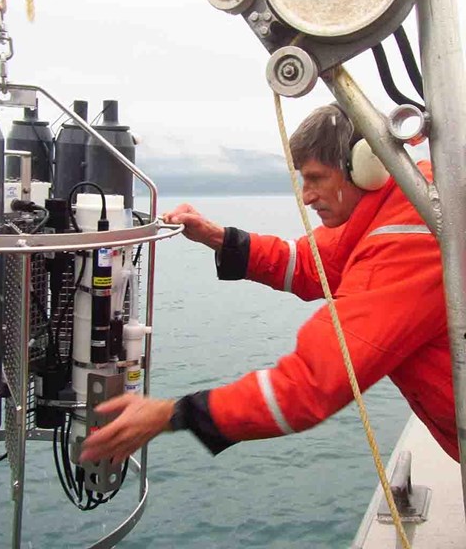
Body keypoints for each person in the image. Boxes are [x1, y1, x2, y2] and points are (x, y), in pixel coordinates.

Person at [80, 103, 456, 466]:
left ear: (366, 167)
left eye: (315, 178)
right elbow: (309, 264)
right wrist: (217, 237)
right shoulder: (396, 206)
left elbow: (310, 385)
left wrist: (173, 414)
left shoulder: (408, 237)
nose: (306, 196)